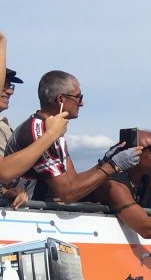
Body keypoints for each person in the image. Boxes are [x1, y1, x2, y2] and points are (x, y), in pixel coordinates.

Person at [6, 70, 135, 201]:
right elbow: (67, 193)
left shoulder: (55, 131)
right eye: (79, 97)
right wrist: (113, 166)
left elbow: (73, 181)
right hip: (26, 215)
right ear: (60, 99)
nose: (82, 103)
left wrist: (105, 162)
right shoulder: (40, 131)